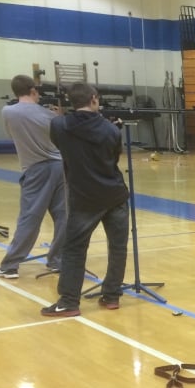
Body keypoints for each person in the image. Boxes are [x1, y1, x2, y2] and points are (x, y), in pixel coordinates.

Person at [41, 82, 129, 317]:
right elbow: (114, 158)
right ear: (94, 99)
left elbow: (62, 145)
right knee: (118, 247)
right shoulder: (111, 130)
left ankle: (69, 301)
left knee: (74, 249)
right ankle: (112, 296)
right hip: (114, 194)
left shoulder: (59, 125)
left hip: (84, 198)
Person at [0, 75, 66, 279]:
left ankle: (10, 265)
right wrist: (57, 115)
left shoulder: (8, 112)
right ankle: (56, 260)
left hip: (35, 169)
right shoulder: (50, 116)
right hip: (59, 166)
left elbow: (12, 135)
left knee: (30, 216)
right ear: (33, 90)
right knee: (63, 216)